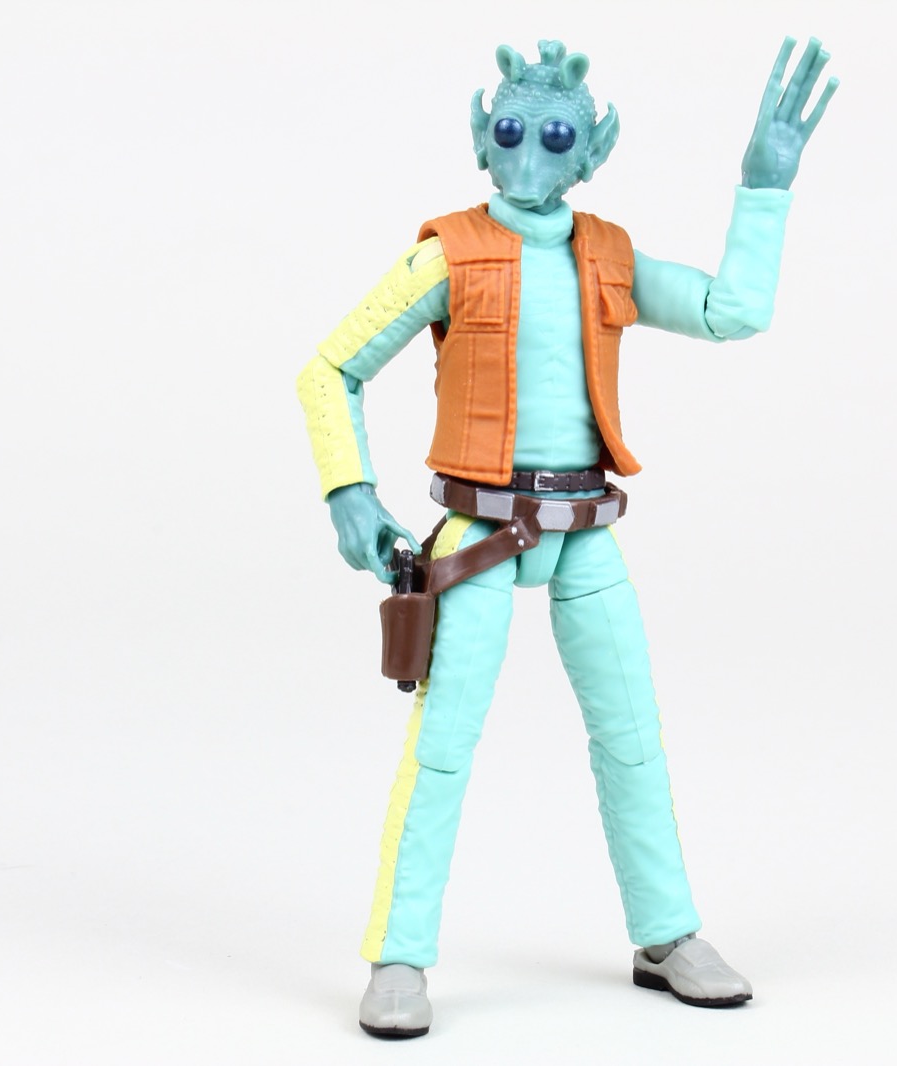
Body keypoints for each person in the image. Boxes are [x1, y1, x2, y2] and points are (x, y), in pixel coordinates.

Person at [296, 36, 838, 1038]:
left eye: (555, 138)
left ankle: (666, 933)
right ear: (480, 137)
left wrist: (762, 190)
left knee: (631, 738)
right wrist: (349, 493)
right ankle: (400, 952)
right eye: (510, 131)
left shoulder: (608, 256)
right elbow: (331, 367)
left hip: (586, 531)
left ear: (593, 151)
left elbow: (730, 311)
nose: (528, 156)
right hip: (480, 532)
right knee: (442, 749)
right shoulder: (448, 255)